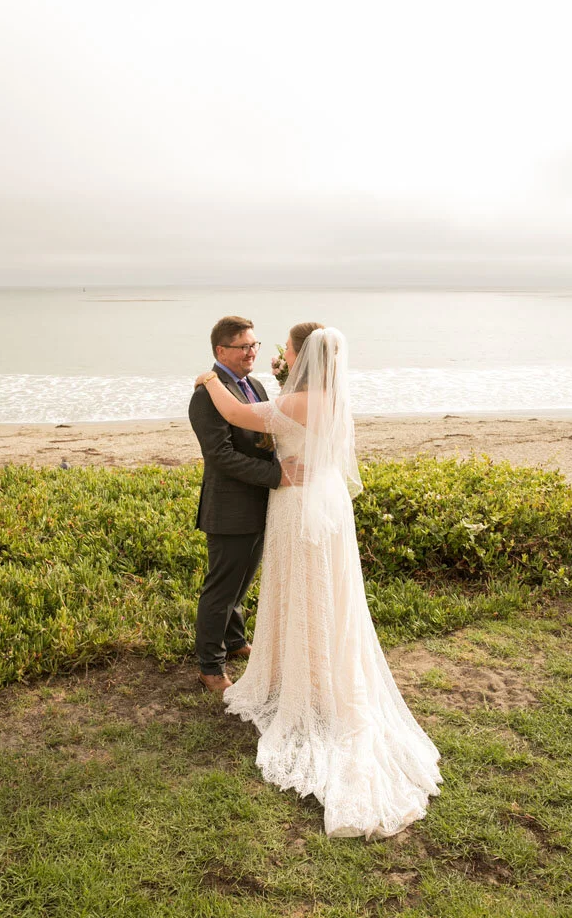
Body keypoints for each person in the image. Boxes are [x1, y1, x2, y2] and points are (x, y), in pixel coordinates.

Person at [193, 323, 442, 839]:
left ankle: (306, 674)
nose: (272, 355)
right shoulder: (323, 396)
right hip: (318, 502)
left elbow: (239, 415)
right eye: (255, 347)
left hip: (300, 505)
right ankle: (278, 658)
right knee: (313, 590)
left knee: (304, 589)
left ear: (301, 356)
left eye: (281, 348)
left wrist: (208, 379)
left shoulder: (298, 399)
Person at [188, 315, 299, 694]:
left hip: (260, 504)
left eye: (254, 344)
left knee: (242, 583)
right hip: (230, 508)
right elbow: (220, 455)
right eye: (243, 346)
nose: (252, 351)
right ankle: (210, 667)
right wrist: (277, 476)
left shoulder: (253, 384)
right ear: (222, 351)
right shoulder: (207, 395)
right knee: (220, 590)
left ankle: (234, 642)